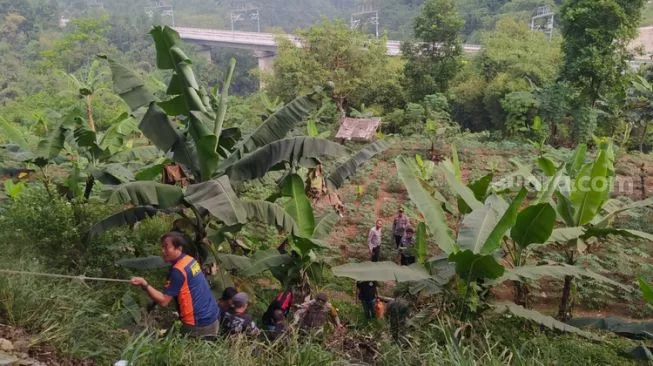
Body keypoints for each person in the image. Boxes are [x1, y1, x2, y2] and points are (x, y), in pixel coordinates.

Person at [130, 232, 219, 339]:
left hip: (198, 324)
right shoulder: (190, 260)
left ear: (179, 248)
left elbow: (164, 301)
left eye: (166, 247)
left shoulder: (179, 271)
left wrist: (144, 284)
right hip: (213, 316)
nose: (162, 251)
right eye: (162, 247)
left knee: (165, 347)